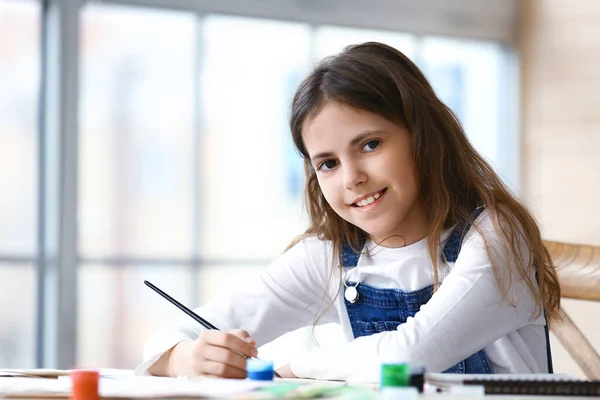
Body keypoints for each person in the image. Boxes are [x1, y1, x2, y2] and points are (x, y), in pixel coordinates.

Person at [136, 42, 561, 382]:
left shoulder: (494, 236)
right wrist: (185, 357)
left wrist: (293, 368)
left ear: (423, 136)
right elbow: (179, 331)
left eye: (370, 144)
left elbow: (410, 356)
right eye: (328, 163)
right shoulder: (332, 256)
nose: (352, 177)